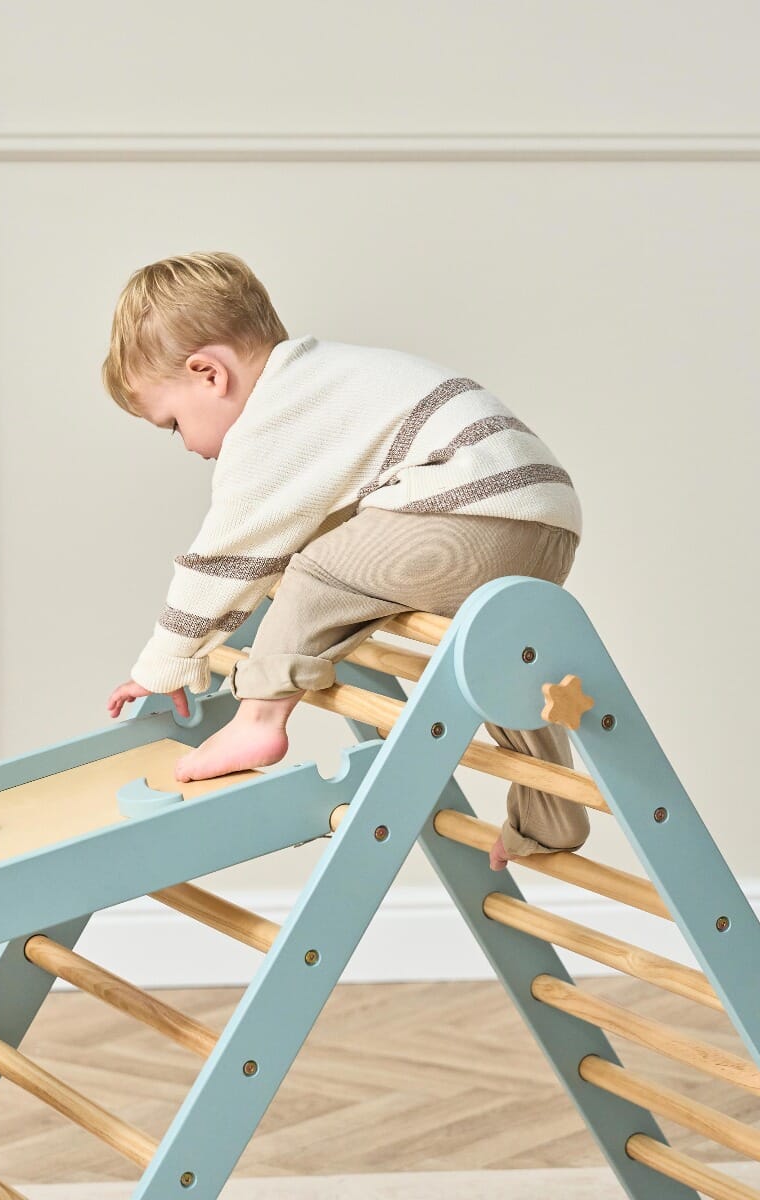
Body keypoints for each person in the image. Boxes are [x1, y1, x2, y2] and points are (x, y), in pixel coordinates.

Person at [102, 251, 586, 871]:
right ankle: (550, 816)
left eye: (173, 423)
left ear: (208, 374)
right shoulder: (329, 379)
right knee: (499, 660)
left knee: (311, 573)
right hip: (543, 520)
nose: (189, 444)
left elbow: (228, 555)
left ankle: (258, 719)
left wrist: (165, 663)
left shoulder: (274, 414)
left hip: (469, 516)